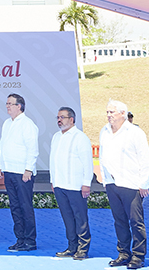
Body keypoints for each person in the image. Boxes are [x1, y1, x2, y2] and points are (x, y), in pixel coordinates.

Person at [100, 100, 149, 269]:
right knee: (119, 220)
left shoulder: (135, 132)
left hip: (131, 183)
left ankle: (138, 255)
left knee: (136, 221)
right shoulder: (104, 131)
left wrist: (144, 183)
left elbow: (144, 158)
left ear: (123, 113)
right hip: (112, 183)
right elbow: (102, 156)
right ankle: (123, 253)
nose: (108, 115)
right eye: (107, 112)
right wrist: (105, 179)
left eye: (112, 112)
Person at [0, 93, 38, 252]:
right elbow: (3, 145)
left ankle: (30, 240)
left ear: (19, 106)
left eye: (10, 104)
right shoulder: (7, 123)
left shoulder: (27, 124)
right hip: (9, 171)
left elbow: (32, 149)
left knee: (25, 206)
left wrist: (28, 169)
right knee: (15, 207)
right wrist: (1, 165)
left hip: (22, 173)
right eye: (6, 103)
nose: (7, 106)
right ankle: (20, 239)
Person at [50, 107, 93, 260]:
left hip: (75, 185)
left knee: (80, 218)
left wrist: (86, 183)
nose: (59, 120)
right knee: (67, 218)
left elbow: (87, 163)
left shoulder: (80, 137)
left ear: (72, 119)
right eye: (58, 117)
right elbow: (53, 160)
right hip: (60, 185)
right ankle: (72, 246)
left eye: (62, 117)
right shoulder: (56, 136)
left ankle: (83, 249)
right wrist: (53, 181)